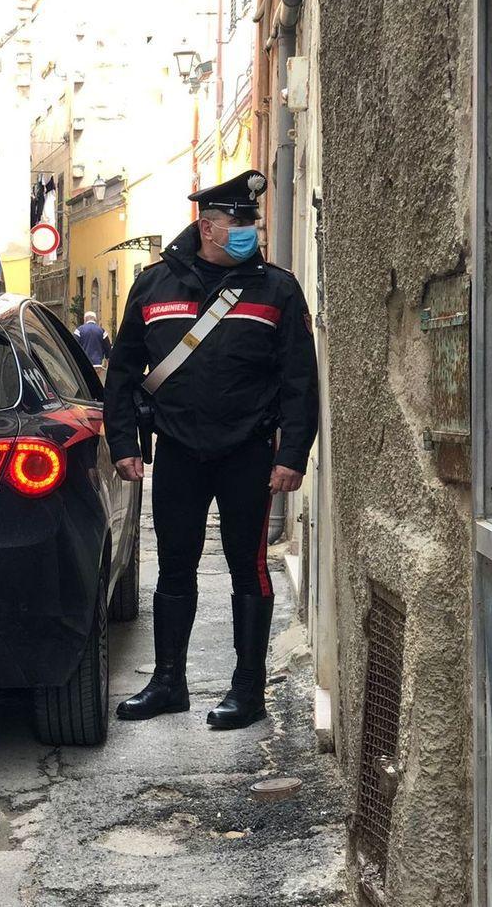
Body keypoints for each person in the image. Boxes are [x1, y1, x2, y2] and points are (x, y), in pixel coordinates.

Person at [103, 169, 319, 730]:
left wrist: (291, 455)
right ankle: (168, 682)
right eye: (238, 221)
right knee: (174, 568)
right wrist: (123, 441)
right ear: (207, 226)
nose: (249, 229)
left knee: (248, 569)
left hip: (247, 454)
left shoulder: (277, 289)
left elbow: (300, 379)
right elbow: (124, 371)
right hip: (177, 451)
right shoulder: (153, 286)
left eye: (252, 220)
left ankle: (247, 692)